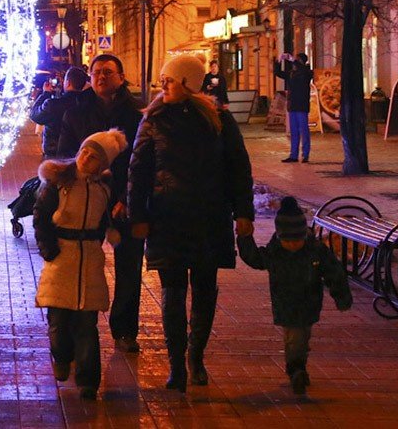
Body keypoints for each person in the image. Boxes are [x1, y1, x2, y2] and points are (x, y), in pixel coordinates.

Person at [127, 54, 254, 391]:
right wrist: (137, 215)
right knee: (171, 291)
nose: (163, 85)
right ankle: (176, 365)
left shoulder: (219, 120)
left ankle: (196, 358)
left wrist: (244, 213)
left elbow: (238, 168)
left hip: (208, 216)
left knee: (204, 289)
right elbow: (138, 171)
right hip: (167, 217)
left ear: (186, 83)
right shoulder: (154, 119)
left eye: (168, 80)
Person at [56, 54, 144, 353]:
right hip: (87, 199)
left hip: (124, 199)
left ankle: (125, 330)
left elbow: (141, 161)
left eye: (108, 72)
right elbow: (65, 154)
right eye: (95, 72)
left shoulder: (135, 114)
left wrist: (126, 198)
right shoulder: (76, 112)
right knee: (79, 261)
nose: (101, 77)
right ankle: (81, 323)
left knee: (129, 267)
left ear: (121, 76)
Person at [34, 129, 128, 401]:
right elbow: (41, 217)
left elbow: (103, 222)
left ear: (103, 164)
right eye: (85, 151)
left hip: (88, 259)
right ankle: (61, 356)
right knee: (58, 321)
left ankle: (88, 381)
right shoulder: (58, 182)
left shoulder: (102, 188)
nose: (87, 157)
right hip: (61, 258)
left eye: (95, 156)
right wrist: (48, 250)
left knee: (87, 324)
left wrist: (105, 236)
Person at [237, 197, 352, 395]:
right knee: (294, 337)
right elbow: (255, 259)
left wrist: (341, 296)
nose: (292, 245)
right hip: (286, 303)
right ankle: (296, 369)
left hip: (309, 302)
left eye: (296, 240)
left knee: (301, 336)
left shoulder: (315, 250)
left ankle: (299, 367)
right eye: (287, 241)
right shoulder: (275, 252)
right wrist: (244, 238)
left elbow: (334, 272)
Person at [29, 67, 87, 158]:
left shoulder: (53, 105)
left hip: (55, 156)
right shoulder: (87, 104)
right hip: (80, 155)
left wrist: (46, 93)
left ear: (67, 83)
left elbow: (34, 115)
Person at [274, 53, 314, 163]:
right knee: (294, 131)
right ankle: (293, 155)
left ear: (301, 62)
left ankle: (305, 154)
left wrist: (292, 59)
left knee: (304, 130)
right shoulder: (292, 73)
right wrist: (279, 60)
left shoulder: (306, 72)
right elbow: (278, 73)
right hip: (293, 106)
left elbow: (304, 71)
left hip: (302, 105)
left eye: (297, 61)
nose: (293, 63)